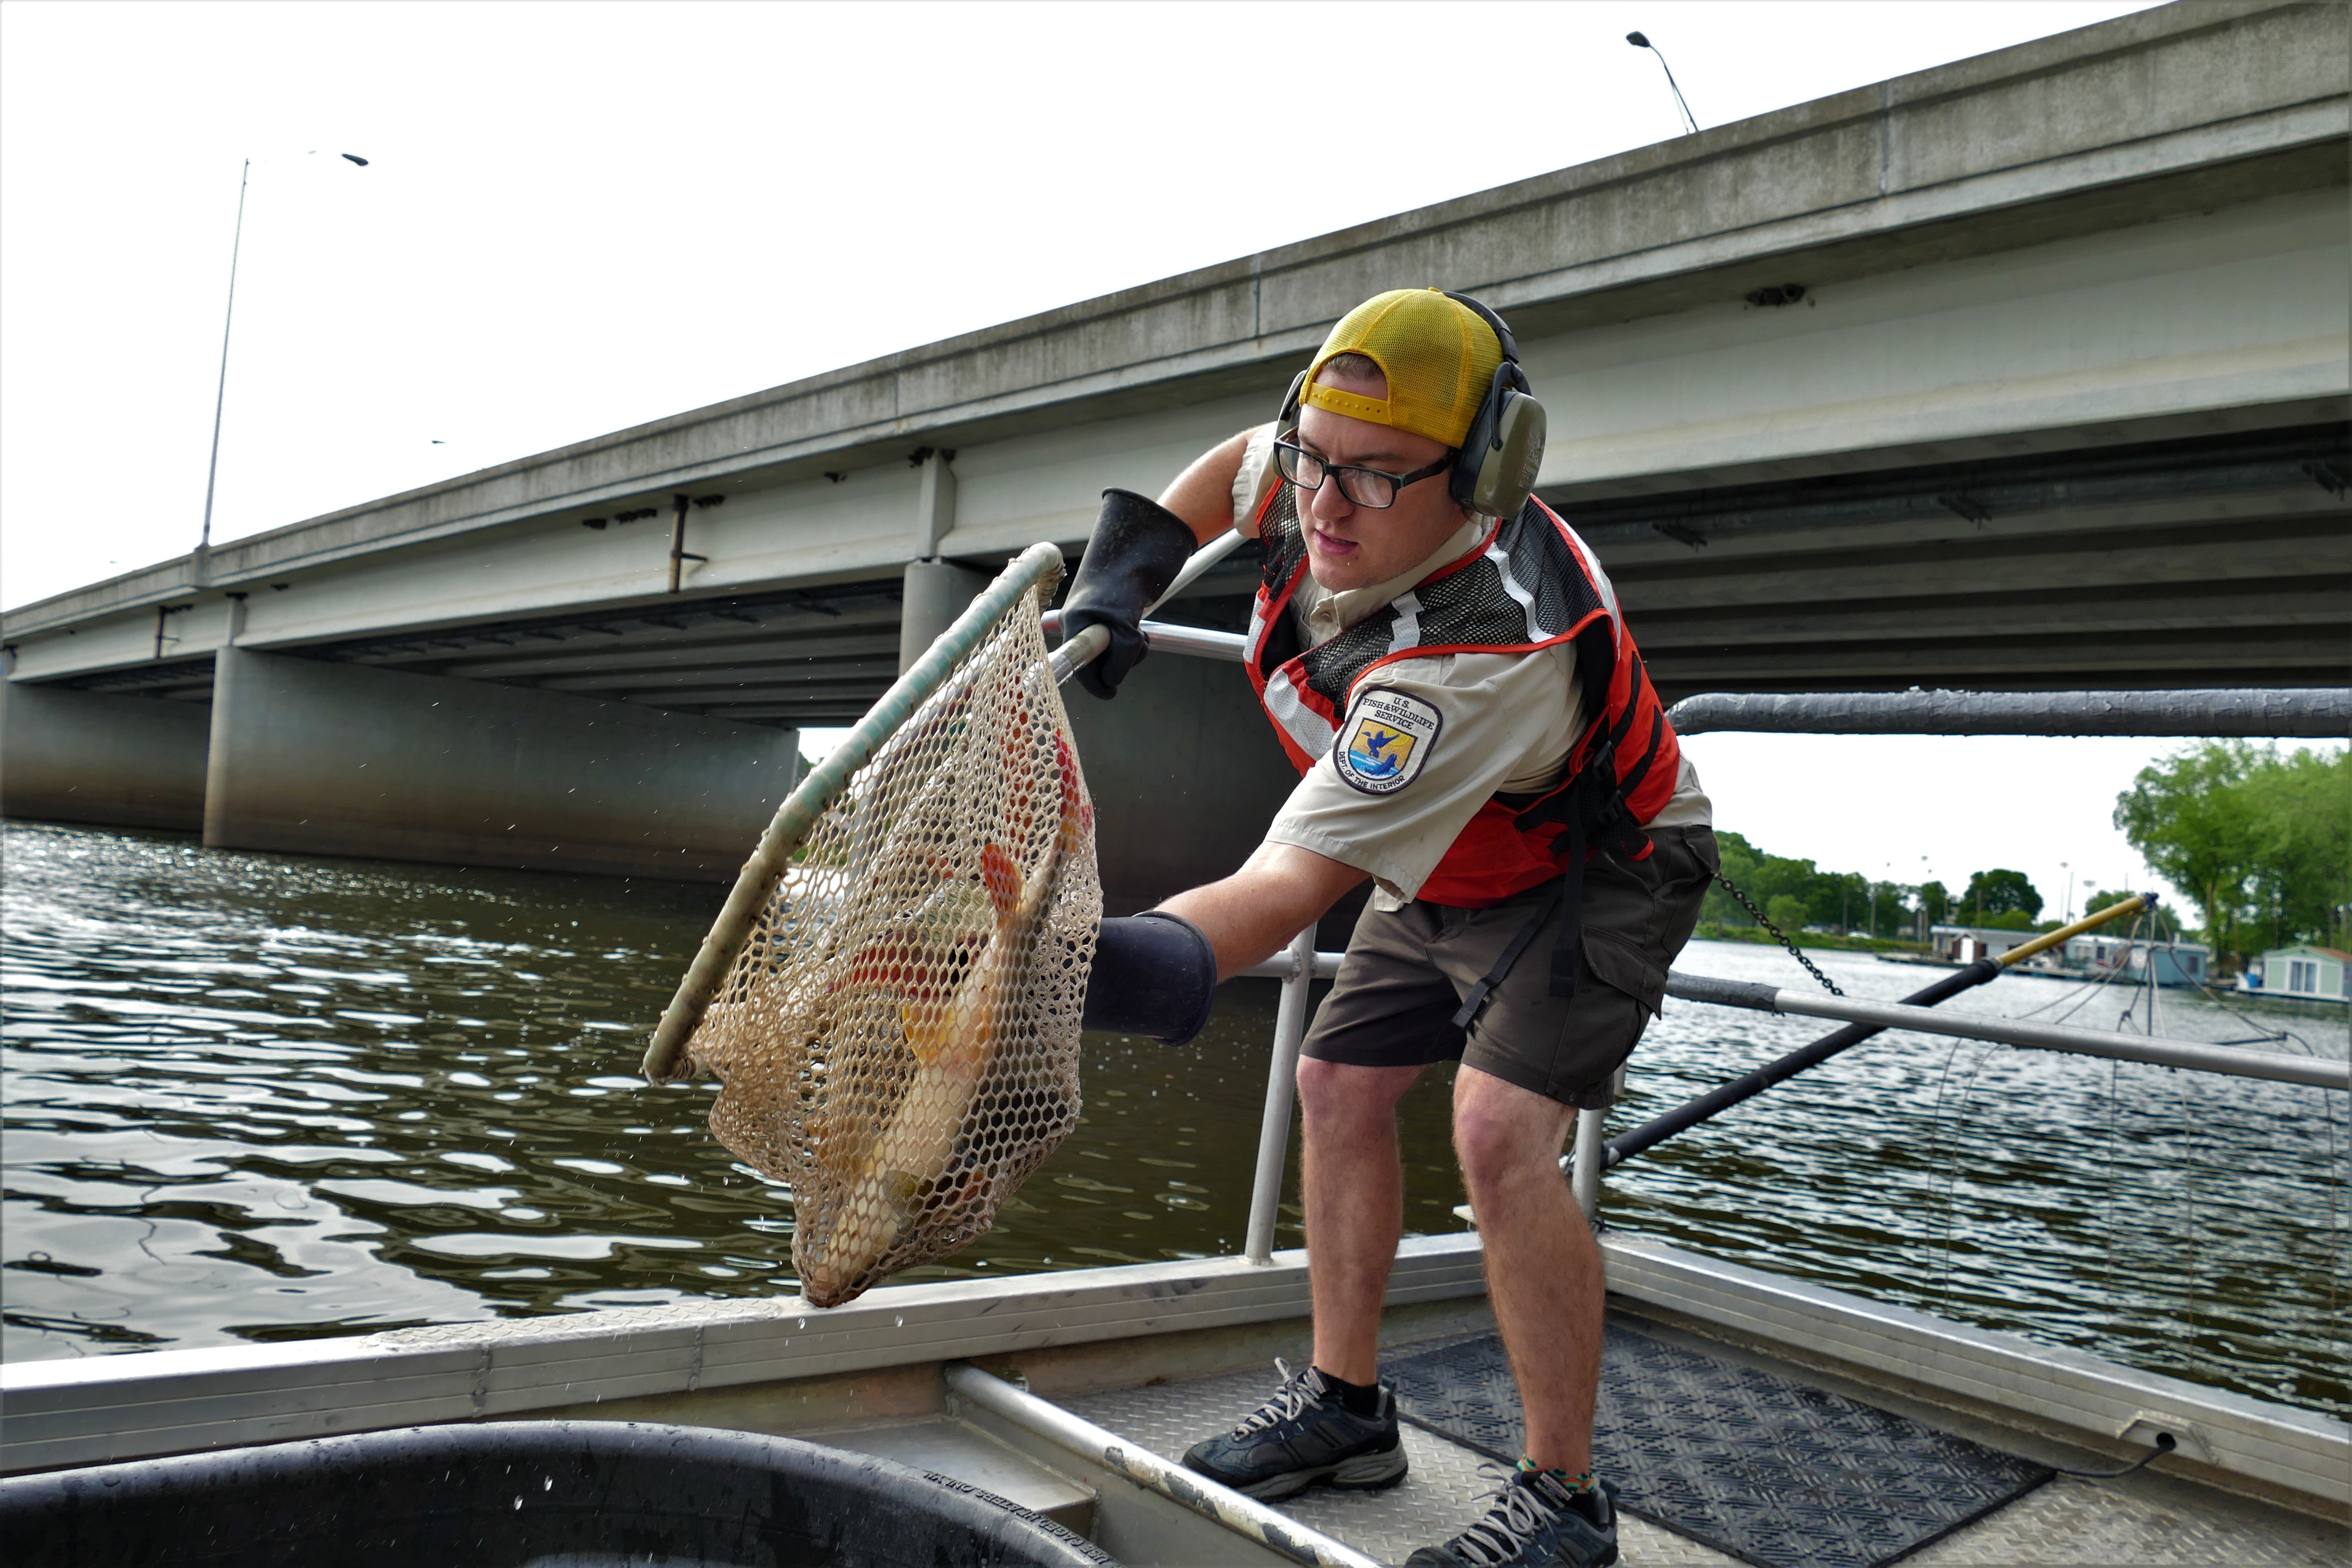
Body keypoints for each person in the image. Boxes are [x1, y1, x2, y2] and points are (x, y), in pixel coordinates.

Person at [1071, 288, 1716, 1568]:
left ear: (1484, 477)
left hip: (1595, 868)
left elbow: (1281, 889)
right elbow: (1235, 470)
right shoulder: (1331, 466)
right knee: (1336, 1082)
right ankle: (1348, 1412)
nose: (1323, 505)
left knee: (1498, 1134)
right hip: (1450, 856)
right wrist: (1123, 578)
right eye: (1314, 458)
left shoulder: (1480, 654)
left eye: (1373, 478)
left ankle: (1568, 1500)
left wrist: (1060, 971)